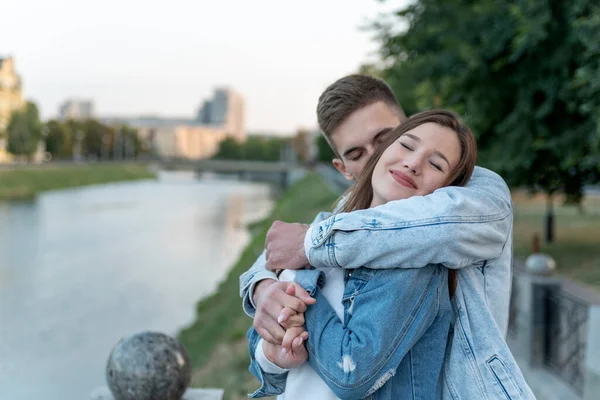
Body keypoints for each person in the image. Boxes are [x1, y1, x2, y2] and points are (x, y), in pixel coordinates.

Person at [239, 75, 520, 397]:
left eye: (385, 138)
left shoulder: (476, 191)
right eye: (357, 154)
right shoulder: (334, 222)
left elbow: (352, 372)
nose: (376, 157)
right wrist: (263, 289)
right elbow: (277, 256)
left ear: (405, 127)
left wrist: (298, 273)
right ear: (342, 168)